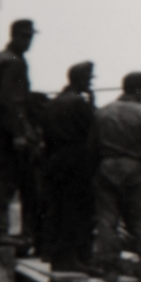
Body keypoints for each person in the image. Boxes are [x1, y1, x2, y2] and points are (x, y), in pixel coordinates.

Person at [92, 72, 141, 282]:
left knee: (107, 219)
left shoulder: (102, 112)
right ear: (139, 90)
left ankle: (107, 266)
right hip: (136, 170)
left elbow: (92, 145)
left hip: (106, 167)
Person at [0, 19, 40, 244]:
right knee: (6, 178)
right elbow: (11, 101)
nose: (28, 41)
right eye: (25, 36)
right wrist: (20, 133)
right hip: (4, 124)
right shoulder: (14, 62)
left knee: (1, 176)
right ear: (15, 36)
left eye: (30, 37)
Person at [36, 61, 97, 271]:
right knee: (77, 209)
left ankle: (57, 255)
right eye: (89, 79)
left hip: (55, 159)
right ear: (80, 79)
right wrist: (92, 102)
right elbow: (92, 130)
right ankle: (73, 258)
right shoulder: (78, 103)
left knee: (57, 208)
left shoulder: (54, 103)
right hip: (76, 160)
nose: (90, 83)